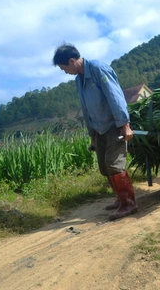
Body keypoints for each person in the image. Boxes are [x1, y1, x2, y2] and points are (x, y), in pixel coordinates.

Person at [53, 43, 138, 220]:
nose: (65, 72)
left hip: (114, 125)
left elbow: (115, 97)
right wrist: (92, 135)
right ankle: (119, 198)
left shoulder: (99, 70)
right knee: (104, 167)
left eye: (64, 68)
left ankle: (129, 203)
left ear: (71, 61)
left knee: (114, 164)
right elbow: (85, 109)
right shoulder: (79, 80)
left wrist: (125, 124)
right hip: (99, 128)